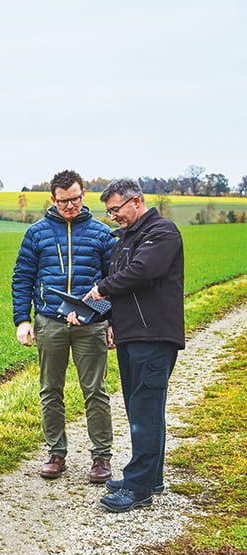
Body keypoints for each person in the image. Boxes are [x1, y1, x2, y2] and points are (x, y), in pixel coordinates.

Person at [76, 179, 185, 512]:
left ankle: (138, 488)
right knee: (140, 409)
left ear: (136, 201)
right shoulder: (126, 239)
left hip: (153, 336)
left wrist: (101, 289)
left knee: (146, 413)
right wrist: (100, 317)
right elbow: (125, 289)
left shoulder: (161, 232)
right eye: (108, 212)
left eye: (116, 210)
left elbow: (143, 272)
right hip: (131, 334)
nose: (113, 218)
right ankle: (149, 478)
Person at [12, 170, 116, 483]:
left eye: (74, 199)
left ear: (83, 196)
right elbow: (22, 278)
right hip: (49, 322)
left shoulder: (101, 233)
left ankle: (101, 458)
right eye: (62, 201)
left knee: (95, 391)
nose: (69, 206)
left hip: (91, 324)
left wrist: (107, 319)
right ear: (53, 199)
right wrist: (23, 320)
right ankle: (56, 454)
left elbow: (113, 283)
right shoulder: (37, 233)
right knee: (50, 390)